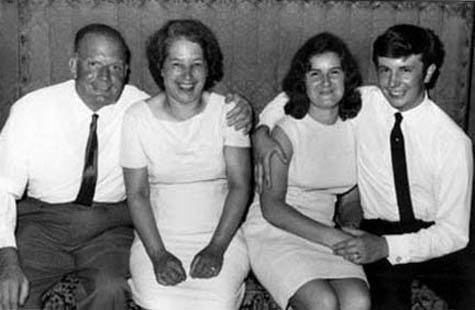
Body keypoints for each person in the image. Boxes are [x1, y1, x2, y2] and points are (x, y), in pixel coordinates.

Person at [0, 23, 252, 310]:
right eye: (93, 64)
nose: (105, 78)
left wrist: (246, 113)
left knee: (110, 289)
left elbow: (190, 114)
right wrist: (6, 260)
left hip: (108, 227)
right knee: (13, 294)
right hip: (44, 225)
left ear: (127, 70)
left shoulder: (138, 108)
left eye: (116, 67)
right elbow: (2, 189)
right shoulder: (31, 110)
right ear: (73, 65)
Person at [254, 24, 475, 310]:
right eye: (385, 70)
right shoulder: (364, 102)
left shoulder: (454, 143)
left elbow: (455, 233)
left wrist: (387, 247)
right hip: (377, 228)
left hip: (436, 236)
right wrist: (261, 130)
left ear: (429, 73)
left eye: (405, 70)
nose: (393, 82)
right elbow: (301, 93)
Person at [120, 19, 251, 310]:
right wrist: (158, 255)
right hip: (156, 236)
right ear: (161, 68)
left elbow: (240, 186)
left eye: (197, 64)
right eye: (176, 64)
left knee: (217, 302)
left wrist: (216, 248)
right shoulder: (136, 118)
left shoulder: (230, 111)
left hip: (221, 234)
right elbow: (137, 194)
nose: (187, 75)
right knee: (159, 301)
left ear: (208, 67)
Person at [243, 32, 370, 310]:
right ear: (303, 81)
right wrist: (336, 238)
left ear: (346, 77)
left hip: (325, 230)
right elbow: (272, 208)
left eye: (334, 72)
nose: (325, 82)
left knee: (358, 300)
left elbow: (350, 197)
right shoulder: (287, 130)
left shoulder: (355, 128)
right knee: (323, 302)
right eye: (315, 74)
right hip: (275, 230)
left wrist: (350, 227)